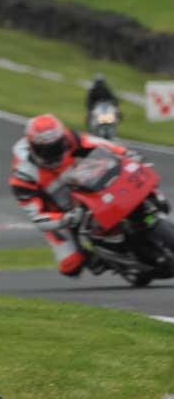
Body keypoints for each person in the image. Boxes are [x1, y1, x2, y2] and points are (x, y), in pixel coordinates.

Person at [9, 114, 128, 277]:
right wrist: (65, 218)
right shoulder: (23, 175)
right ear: (32, 147)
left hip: (86, 185)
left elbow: (98, 143)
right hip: (59, 213)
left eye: (57, 146)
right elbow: (38, 218)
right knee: (71, 265)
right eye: (45, 150)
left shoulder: (69, 137)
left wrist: (125, 153)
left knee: (128, 170)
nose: (53, 153)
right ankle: (99, 258)